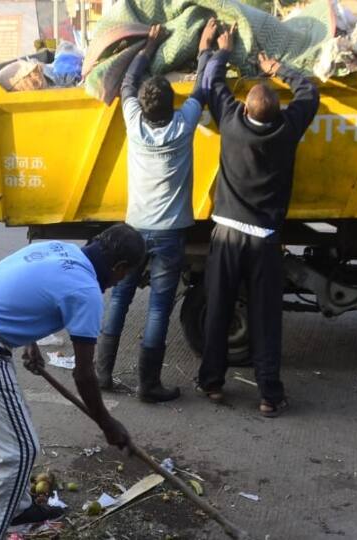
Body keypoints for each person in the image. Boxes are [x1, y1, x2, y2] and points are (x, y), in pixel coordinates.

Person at [0, 223, 145, 540]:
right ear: (119, 267)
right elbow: (84, 374)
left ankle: (18, 508)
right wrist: (107, 423)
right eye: (123, 277)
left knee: (13, 433)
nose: (116, 284)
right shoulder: (87, 291)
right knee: (19, 450)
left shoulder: (59, 250)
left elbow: (22, 291)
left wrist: (29, 341)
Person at [195, 25, 319, 416]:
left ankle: (212, 383)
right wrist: (278, 67)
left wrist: (222, 51)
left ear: (245, 108)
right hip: (264, 241)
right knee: (266, 319)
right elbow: (309, 91)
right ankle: (269, 395)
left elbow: (211, 82)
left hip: (227, 235)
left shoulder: (231, 122)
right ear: (278, 111)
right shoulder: (287, 130)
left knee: (218, 309)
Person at [95, 20, 217, 403]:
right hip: (169, 235)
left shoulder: (134, 122)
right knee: (160, 307)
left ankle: (102, 373)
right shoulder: (183, 125)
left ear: (144, 109)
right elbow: (203, 87)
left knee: (120, 298)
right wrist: (206, 49)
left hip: (133, 231)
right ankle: (149, 385)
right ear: (171, 105)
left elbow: (128, 84)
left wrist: (148, 48)